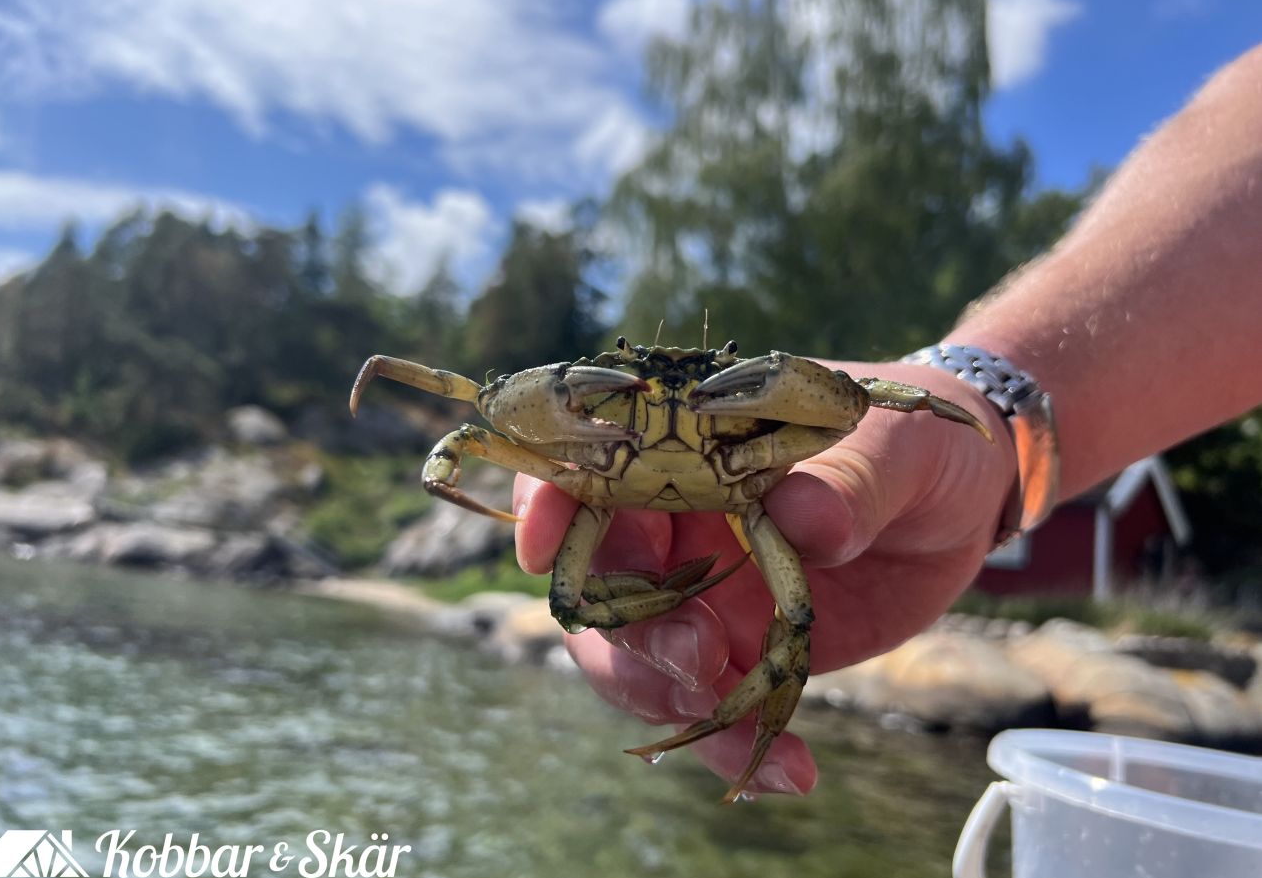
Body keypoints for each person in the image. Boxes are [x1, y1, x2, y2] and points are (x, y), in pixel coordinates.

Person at [512, 43, 1262, 796]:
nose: (677, 398)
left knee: (791, 623)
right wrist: (993, 422)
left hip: (751, 496)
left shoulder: (791, 445)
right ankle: (710, 713)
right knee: (576, 597)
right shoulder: (583, 435)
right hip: (650, 493)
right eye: (646, 385)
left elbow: (856, 404)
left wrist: (976, 411)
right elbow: (486, 418)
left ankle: (729, 723)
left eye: (706, 382)